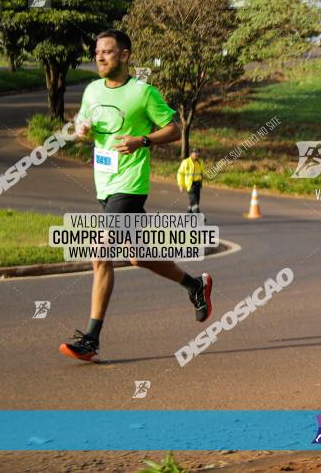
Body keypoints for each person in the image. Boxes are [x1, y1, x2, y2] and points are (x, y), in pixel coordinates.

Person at [59, 29, 213, 362]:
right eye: (97, 52)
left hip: (129, 186)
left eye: (108, 52)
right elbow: (84, 122)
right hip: (105, 184)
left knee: (100, 252)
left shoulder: (143, 93)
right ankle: (194, 285)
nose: (100, 57)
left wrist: (141, 140)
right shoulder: (91, 90)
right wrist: (80, 129)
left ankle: (91, 338)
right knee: (137, 255)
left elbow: (172, 128)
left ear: (125, 55)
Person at [177, 148, 204, 213]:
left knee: (195, 202)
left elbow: (202, 173)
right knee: (194, 202)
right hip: (190, 185)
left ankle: (188, 216)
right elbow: (180, 174)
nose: (197, 154)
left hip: (198, 185)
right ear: (191, 153)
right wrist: (181, 184)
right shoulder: (186, 162)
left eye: (198, 153)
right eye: (195, 153)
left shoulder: (200, 162)